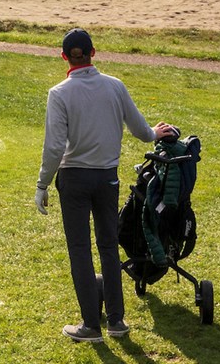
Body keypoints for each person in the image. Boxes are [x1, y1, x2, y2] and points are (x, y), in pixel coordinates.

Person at [35, 28, 175, 343]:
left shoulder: (59, 94)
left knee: (80, 249)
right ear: (93, 52)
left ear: (63, 57)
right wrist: (155, 133)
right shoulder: (114, 86)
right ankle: (116, 319)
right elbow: (141, 130)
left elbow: (55, 147)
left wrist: (43, 184)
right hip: (107, 177)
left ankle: (90, 324)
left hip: (73, 179)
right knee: (108, 247)